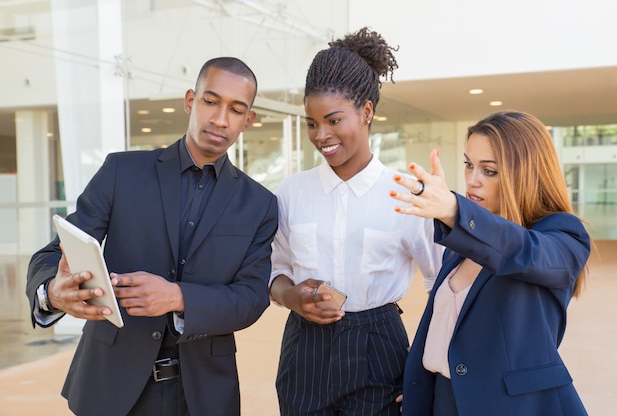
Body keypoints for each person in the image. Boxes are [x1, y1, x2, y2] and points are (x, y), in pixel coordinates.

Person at [26, 57, 278, 416]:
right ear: (190, 100)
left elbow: (252, 298)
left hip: (204, 396)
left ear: (248, 120)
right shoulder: (121, 171)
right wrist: (51, 291)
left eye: (236, 110)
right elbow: (55, 252)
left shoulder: (260, 204)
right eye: (211, 101)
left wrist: (178, 296)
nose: (220, 119)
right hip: (109, 387)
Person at [269, 27, 444, 416]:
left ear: (366, 112)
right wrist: (289, 296)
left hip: (380, 348)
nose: (321, 135)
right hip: (303, 350)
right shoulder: (292, 193)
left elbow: (443, 286)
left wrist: (426, 371)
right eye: (312, 123)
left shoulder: (406, 193)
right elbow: (276, 268)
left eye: (333, 120)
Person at [392, 110, 590, 416]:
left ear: (525, 173)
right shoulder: (460, 243)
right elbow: (446, 327)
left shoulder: (562, 236)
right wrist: (422, 387)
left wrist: (455, 212)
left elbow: (521, 251)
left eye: (489, 171)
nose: (472, 181)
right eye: (469, 165)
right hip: (444, 400)